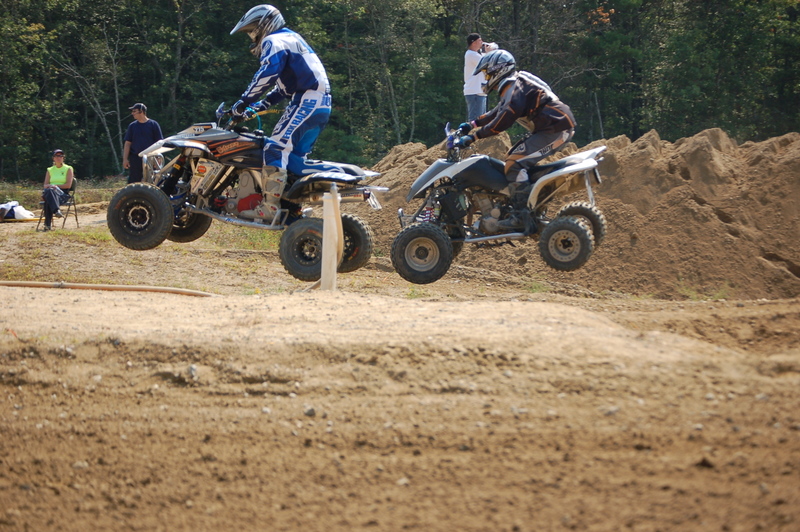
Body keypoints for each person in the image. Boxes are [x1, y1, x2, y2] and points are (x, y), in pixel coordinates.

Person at [228, 4, 337, 222]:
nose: (252, 36)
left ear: (264, 25)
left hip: (307, 100)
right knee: (294, 159)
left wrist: (244, 101)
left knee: (274, 148)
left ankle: (269, 208)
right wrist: (262, 104)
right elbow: (284, 86)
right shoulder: (291, 38)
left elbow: (268, 72)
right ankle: (292, 209)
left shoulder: (273, 40)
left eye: (252, 30)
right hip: (321, 103)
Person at [455, 49, 576, 229]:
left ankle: (521, 217)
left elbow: (502, 120)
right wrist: (472, 124)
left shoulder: (513, 87)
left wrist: (474, 137)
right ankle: (532, 206)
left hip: (556, 128)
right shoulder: (514, 85)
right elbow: (497, 111)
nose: (486, 79)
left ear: (498, 70)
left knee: (514, 164)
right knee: (513, 159)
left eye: (487, 73)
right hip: (551, 127)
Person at [123, 103, 164, 184]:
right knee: (134, 181)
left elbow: (159, 143)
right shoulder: (132, 126)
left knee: (152, 181)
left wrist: (158, 158)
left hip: (151, 157)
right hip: (135, 157)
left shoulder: (153, 124)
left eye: (134, 111)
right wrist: (125, 159)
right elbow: (127, 143)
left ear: (141, 111)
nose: (132, 113)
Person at [41, 149, 74, 231]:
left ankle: (47, 225)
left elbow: (68, 185)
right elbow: (45, 185)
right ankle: (56, 211)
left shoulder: (68, 169)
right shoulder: (50, 170)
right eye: (57, 156)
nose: (59, 158)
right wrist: (51, 187)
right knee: (50, 192)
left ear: (63, 158)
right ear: (53, 158)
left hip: (62, 194)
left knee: (48, 197)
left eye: (61, 156)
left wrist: (55, 186)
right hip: (51, 192)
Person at [463, 34, 488, 122]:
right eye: (480, 40)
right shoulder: (471, 54)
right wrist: (488, 51)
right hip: (474, 91)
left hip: (479, 91)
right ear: (473, 43)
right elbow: (487, 63)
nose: (482, 42)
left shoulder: (475, 55)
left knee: (481, 120)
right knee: (475, 121)